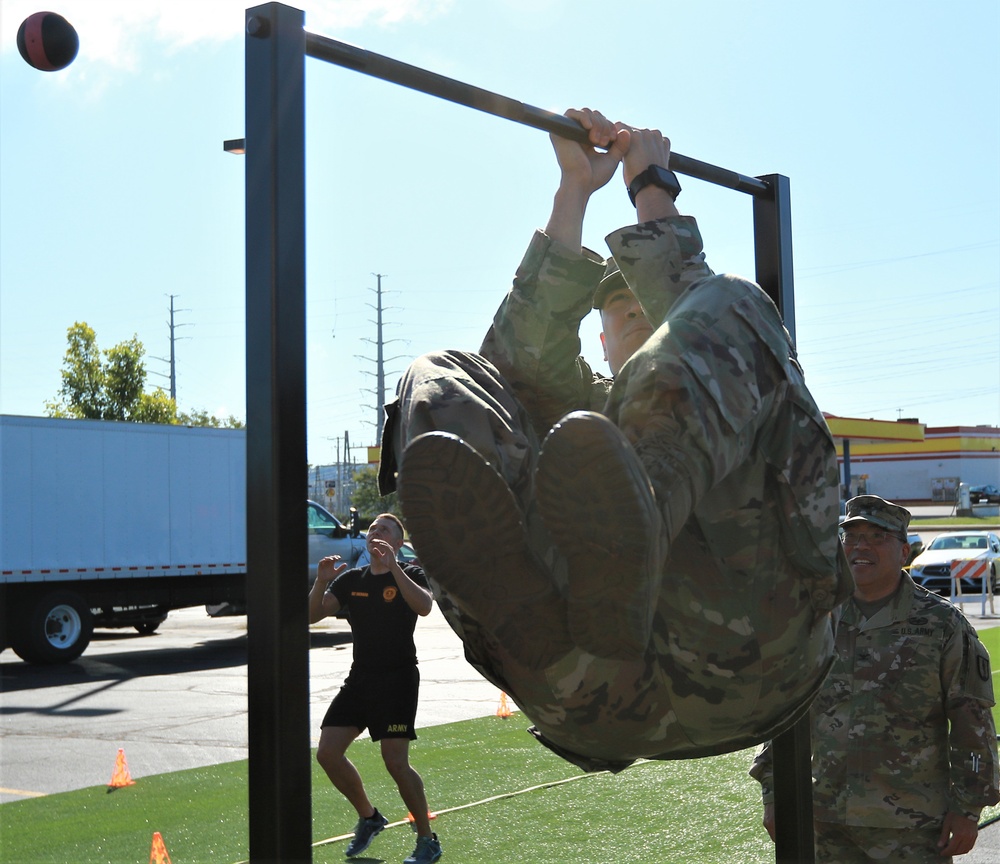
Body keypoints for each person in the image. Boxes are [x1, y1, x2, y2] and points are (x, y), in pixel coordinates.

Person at [379, 108, 850, 772]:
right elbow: (516, 368)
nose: (642, 319)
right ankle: (528, 603)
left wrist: (651, 189)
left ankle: (642, 520)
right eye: (623, 312)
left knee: (733, 303)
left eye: (650, 303)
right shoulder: (586, 443)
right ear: (601, 338)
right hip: (579, 683)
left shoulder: (728, 368)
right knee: (442, 375)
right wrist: (574, 189)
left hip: (752, 657)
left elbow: (701, 308)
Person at [750, 494, 999, 862]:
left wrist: (968, 809)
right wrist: (774, 794)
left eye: (878, 537)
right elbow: (782, 714)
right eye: (851, 537)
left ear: (904, 553)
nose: (861, 546)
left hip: (912, 829)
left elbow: (972, 726)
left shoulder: (942, 626)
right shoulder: (813, 620)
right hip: (823, 822)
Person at [309, 512, 442, 864]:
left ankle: (427, 839)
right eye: (372, 530)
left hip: (398, 679)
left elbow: (425, 607)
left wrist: (394, 567)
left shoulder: (410, 574)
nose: (376, 534)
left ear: (399, 542)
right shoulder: (352, 578)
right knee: (327, 753)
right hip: (360, 680)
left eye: (385, 530)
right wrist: (321, 581)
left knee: (395, 762)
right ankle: (370, 817)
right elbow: (312, 615)